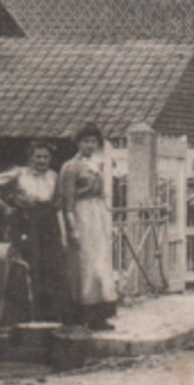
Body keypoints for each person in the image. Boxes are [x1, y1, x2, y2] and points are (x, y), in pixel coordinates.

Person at [0, 140, 68, 323]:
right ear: (30, 158)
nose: (41, 161)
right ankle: (28, 314)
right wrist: (5, 208)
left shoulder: (53, 176)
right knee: (30, 263)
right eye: (37, 157)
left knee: (51, 265)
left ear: (50, 159)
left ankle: (50, 314)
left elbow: (58, 204)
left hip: (48, 224)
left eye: (45, 157)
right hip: (27, 222)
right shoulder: (18, 173)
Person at [59, 122, 118, 331]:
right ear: (78, 143)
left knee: (101, 265)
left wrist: (108, 221)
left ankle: (99, 317)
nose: (90, 145)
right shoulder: (70, 167)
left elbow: (103, 196)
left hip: (98, 215)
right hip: (81, 215)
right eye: (86, 141)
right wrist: (72, 229)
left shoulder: (99, 164)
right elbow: (67, 201)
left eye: (93, 142)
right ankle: (80, 314)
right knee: (85, 265)